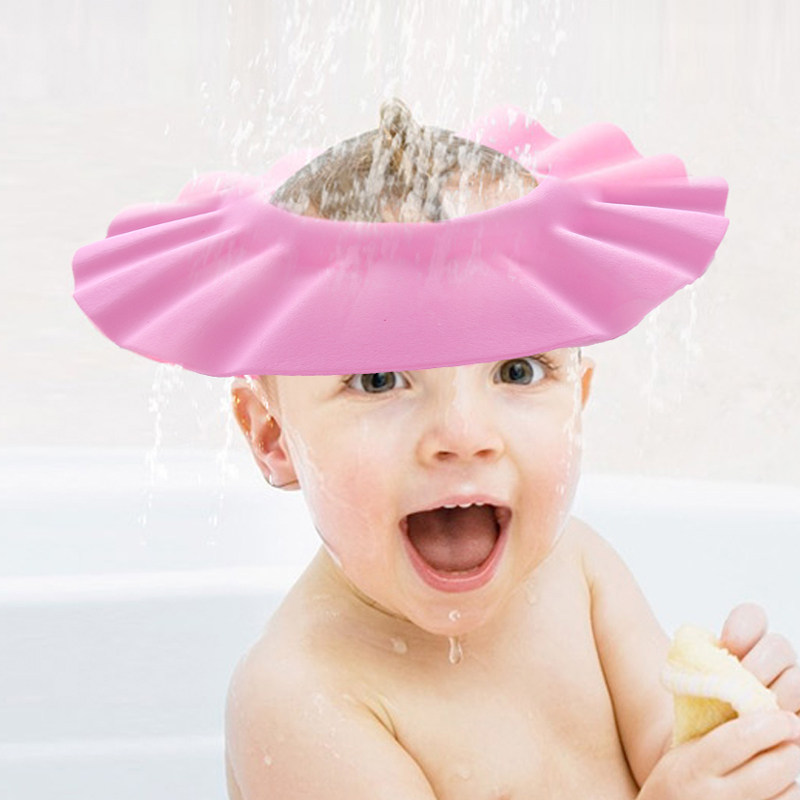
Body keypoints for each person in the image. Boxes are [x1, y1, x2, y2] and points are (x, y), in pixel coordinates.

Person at [72, 99, 800, 800]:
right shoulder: (302, 698)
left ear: (578, 404)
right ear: (273, 436)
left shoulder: (578, 570)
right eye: (380, 379)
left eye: (518, 371)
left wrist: (743, 744)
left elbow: (673, 756)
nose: (463, 435)